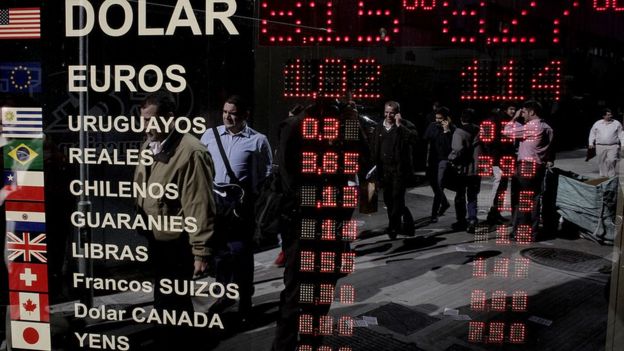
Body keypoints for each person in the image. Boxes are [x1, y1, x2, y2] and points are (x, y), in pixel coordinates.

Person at [133, 91, 216, 347]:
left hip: (177, 243)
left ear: (170, 118)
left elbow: (199, 203)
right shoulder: (149, 145)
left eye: (150, 120)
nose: (145, 127)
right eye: (142, 121)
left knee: (174, 306)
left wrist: (201, 251)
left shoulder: (191, 152)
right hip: (157, 240)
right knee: (168, 304)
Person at [200, 95, 272, 320]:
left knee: (241, 254)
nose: (227, 117)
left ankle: (245, 300)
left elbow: (266, 172)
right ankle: (223, 294)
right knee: (220, 254)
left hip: (241, 205)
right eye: (224, 112)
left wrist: (248, 194)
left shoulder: (258, 140)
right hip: (216, 203)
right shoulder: (210, 135)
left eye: (232, 113)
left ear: (244, 115)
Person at [503, 100, 554, 239]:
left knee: (522, 200)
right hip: (539, 166)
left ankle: (521, 233)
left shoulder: (532, 126)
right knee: (535, 199)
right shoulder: (548, 127)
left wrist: (513, 118)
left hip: (526, 165)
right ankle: (533, 232)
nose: (522, 115)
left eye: (524, 112)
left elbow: (506, 132)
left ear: (532, 112)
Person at [370, 101, 418, 238]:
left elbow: (414, 140)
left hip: (399, 169)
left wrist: (400, 126)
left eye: (392, 112)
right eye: (386, 112)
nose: (388, 115)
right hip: (384, 169)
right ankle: (407, 223)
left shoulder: (406, 125)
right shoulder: (379, 127)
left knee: (397, 198)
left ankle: (393, 227)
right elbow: (374, 148)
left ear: (397, 112)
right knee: (388, 200)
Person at [448, 108, 482, 233]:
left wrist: (450, 158)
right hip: (477, 169)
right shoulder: (480, 130)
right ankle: (472, 219)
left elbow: (457, 150)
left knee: (460, 195)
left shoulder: (459, 132)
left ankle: (461, 220)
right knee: (473, 195)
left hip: (462, 169)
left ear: (462, 119)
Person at [484, 103, 517, 223]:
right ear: (505, 109)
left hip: (502, 157)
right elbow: (490, 140)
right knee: (499, 184)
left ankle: (496, 212)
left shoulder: (502, 120)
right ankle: (493, 212)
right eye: (511, 108)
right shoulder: (498, 120)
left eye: (514, 108)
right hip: (499, 158)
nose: (513, 111)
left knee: (501, 185)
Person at [424, 107, 454, 223]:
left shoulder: (452, 128)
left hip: (443, 160)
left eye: (440, 119)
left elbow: (450, 147)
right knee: (434, 185)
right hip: (432, 159)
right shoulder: (432, 126)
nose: (437, 120)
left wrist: (446, 132)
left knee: (439, 186)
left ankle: (434, 214)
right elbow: (426, 140)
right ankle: (445, 203)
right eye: (436, 118)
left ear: (446, 119)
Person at [588, 108, 622, 177]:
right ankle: (603, 176)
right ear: (604, 116)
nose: (610, 116)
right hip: (600, 146)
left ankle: (611, 176)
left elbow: (621, 134)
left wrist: (623, 144)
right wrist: (591, 143)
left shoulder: (616, 123)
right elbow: (592, 133)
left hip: (613, 146)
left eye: (611, 114)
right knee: (601, 161)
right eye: (608, 115)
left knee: (612, 160)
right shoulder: (597, 123)